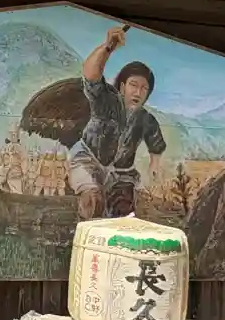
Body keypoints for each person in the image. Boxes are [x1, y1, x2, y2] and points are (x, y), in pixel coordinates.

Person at [68, 25, 166, 218]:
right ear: (122, 86)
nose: (138, 92)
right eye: (133, 85)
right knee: (93, 200)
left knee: (124, 209)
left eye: (144, 88)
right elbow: (90, 76)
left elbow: (155, 143)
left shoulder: (146, 119)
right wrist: (107, 48)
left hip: (122, 173)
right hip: (89, 160)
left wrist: (155, 165)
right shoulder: (105, 100)